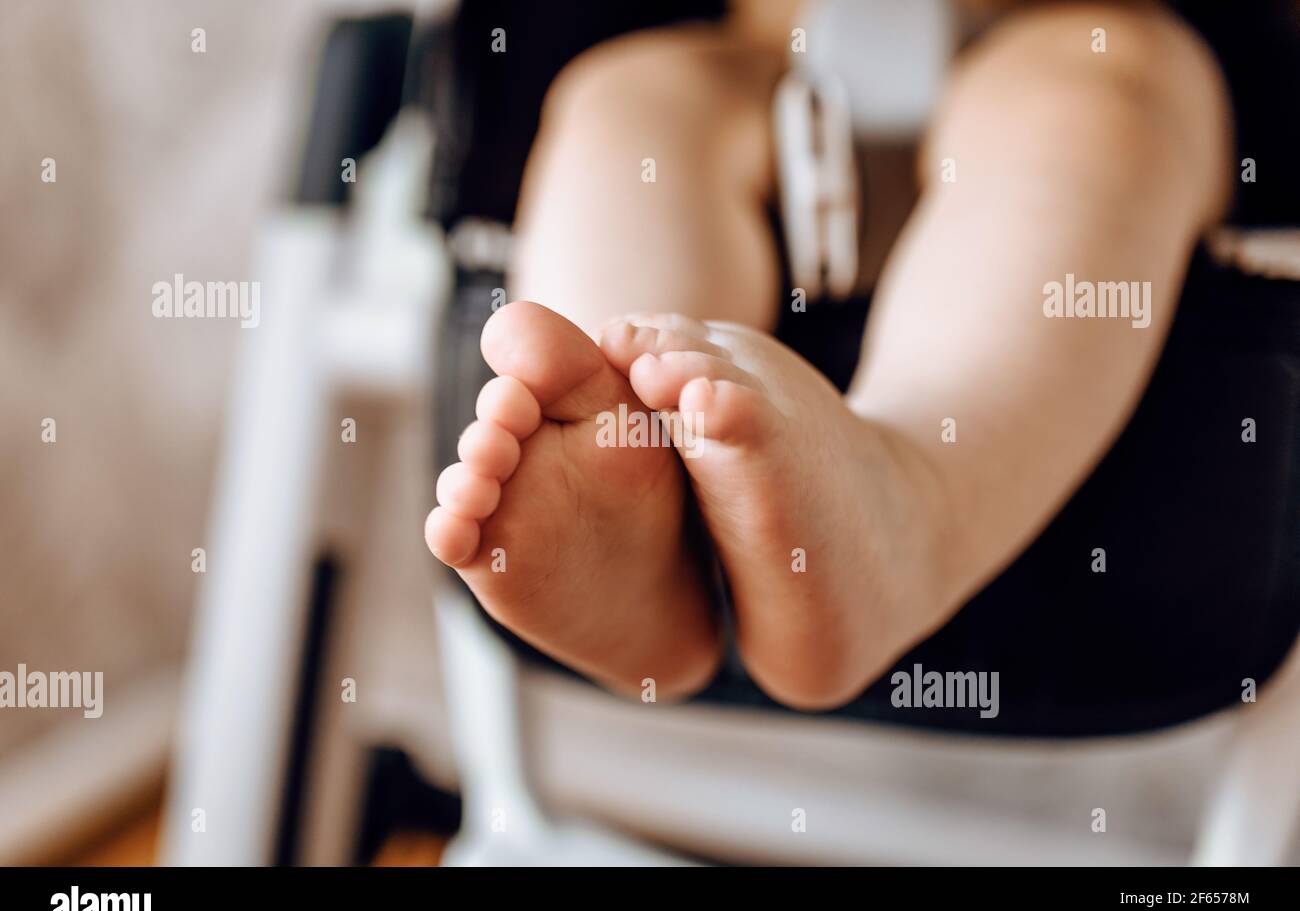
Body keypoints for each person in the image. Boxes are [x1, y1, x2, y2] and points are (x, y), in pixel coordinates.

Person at [422, 0, 1283, 714]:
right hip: (757, 43)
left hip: (1085, 28)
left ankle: (904, 507)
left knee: (1101, 107)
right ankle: (631, 482)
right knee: (625, 104)